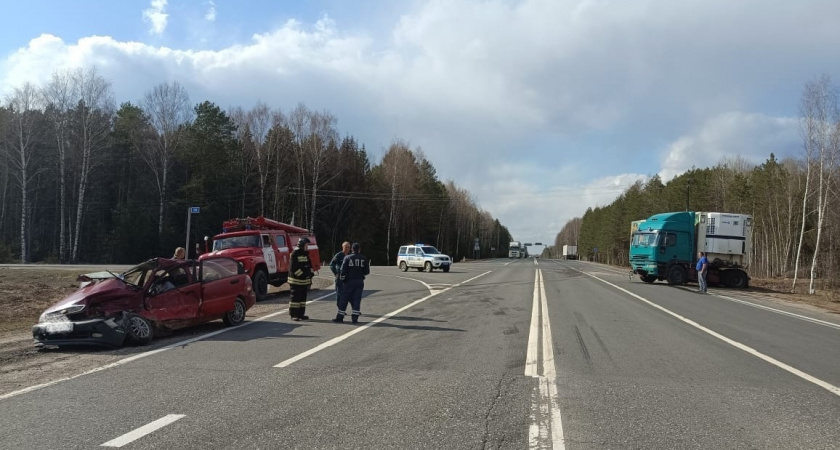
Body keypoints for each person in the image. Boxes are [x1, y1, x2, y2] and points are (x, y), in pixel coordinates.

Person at [337, 242, 370, 324]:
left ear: (352, 249)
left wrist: (343, 280)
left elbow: (343, 271)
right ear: (359, 249)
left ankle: (340, 317)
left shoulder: (347, 258)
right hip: (359, 281)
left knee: (344, 299)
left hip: (349, 281)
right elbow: (367, 272)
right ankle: (355, 318)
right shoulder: (364, 258)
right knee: (357, 299)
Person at [288, 237, 314, 321]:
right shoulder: (295, 254)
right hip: (296, 281)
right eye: (306, 245)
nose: (307, 247)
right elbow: (293, 268)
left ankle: (301, 314)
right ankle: (294, 315)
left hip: (304, 281)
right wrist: (303, 275)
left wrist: (310, 274)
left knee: (302, 299)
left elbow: (309, 265)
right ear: (302, 245)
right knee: (295, 299)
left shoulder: (305, 254)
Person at [329, 241, 351, 322]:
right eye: (346, 247)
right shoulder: (339, 255)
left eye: (348, 247)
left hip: (347, 278)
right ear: (343, 247)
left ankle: (346, 309)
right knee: (339, 294)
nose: (347, 249)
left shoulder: (350, 256)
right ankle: (340, 309)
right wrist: (335, 272)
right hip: (339, 278)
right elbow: (331, 264)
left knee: (348, 294)